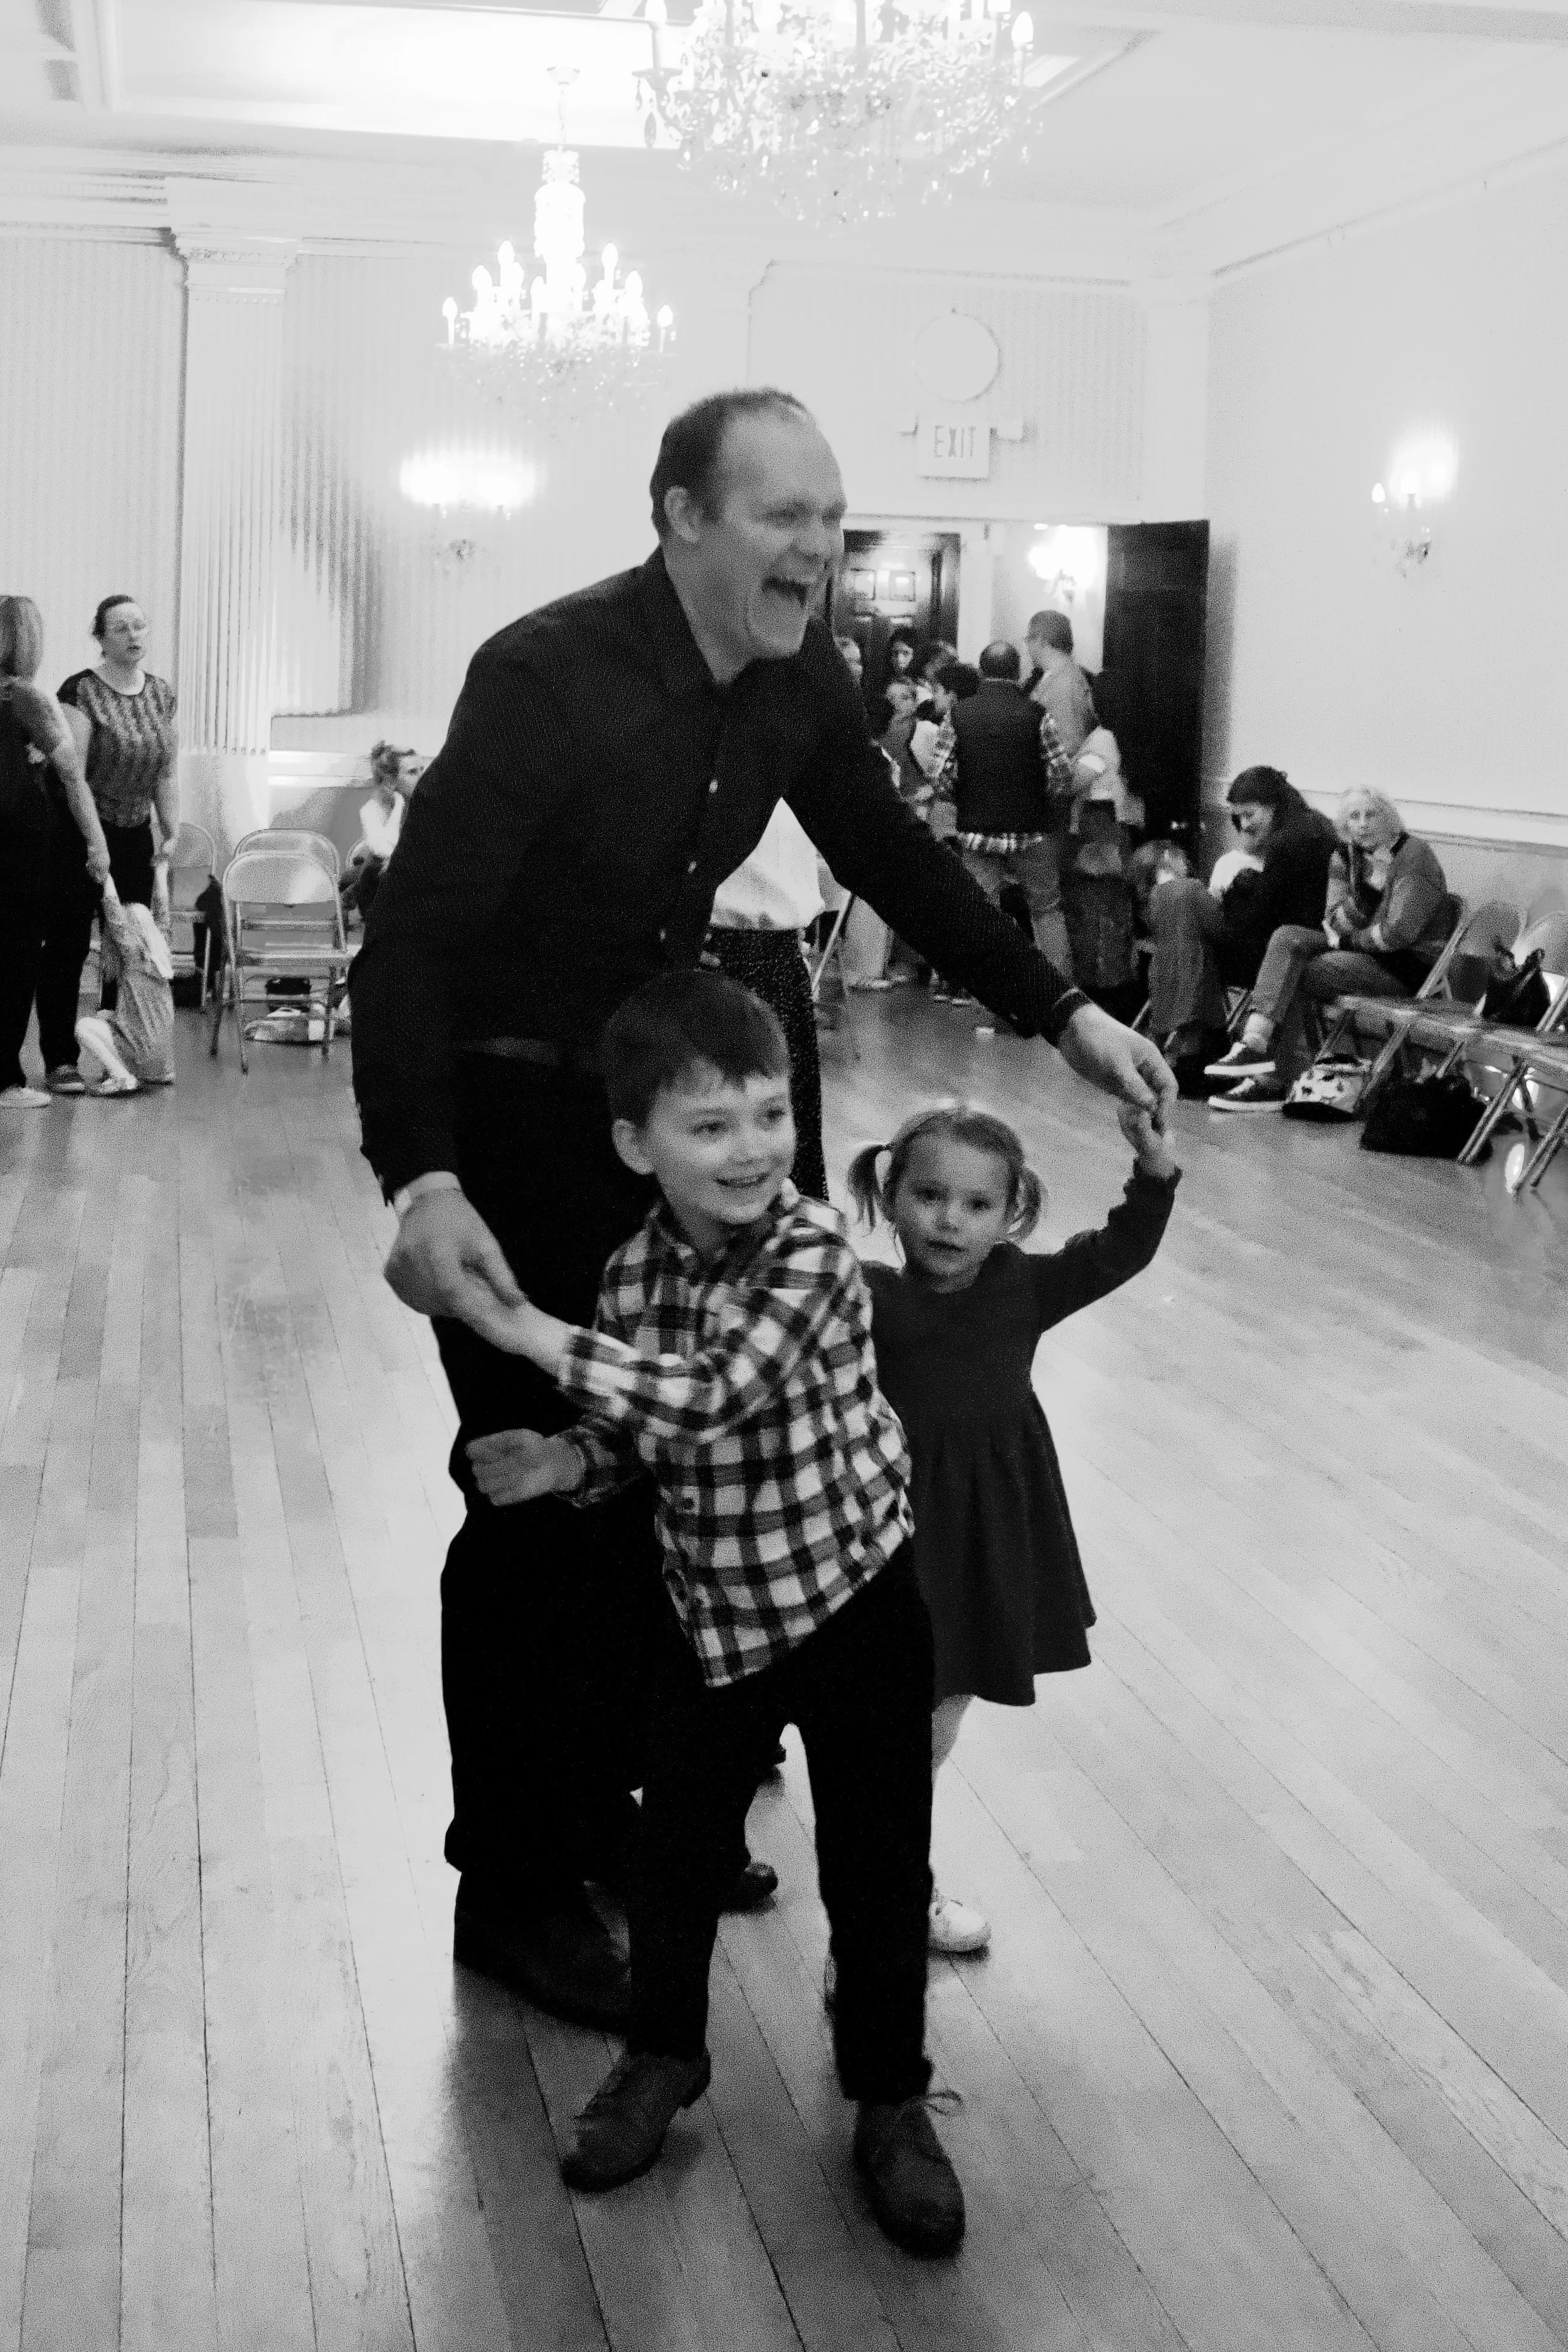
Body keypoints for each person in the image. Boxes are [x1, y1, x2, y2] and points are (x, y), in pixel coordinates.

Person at [349, 384, 1174, 2035]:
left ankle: (603, 1810)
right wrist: (419, 1170)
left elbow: (892, 848)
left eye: (829, 513)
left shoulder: (796, 677)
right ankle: (509, 1880)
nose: (815, 542)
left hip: (661, 1136)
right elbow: (416, 939)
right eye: (780, 512)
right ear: (680, 518)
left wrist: (1063, 1009)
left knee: (659, 1487)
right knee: (537, 1506)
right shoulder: (546, 675)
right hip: (517, 1133)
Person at [467, 971, 965, 2257]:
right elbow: (647, 1433)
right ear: (635, 1144)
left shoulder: (809, 1256)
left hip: (855, 1601)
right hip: (716, 1624)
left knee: (871, 1864)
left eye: (767, 1113)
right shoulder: (633, 1272)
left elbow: (706, 1397)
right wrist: (570, 1463)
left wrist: (515, 1325)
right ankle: (662, 2057)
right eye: (709, 1126)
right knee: (672, 1862)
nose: (750, 1148)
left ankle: (890, 2094)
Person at [846, 1099, 1179, 1957]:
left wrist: (1152, 1170)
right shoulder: (865, 1297)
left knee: (930, 1724)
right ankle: (884, 1904)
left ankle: (891, 1892)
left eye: (976, 1203)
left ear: (1013, 1212)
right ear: (891, 1197)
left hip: (982, 1538)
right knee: (884, 1728)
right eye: (927, 1194)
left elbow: (1119, 1251)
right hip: (890, 1537)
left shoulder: (1021, 1286)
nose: (948, 1219)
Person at [1204, 787, 1453, 1111]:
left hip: (1407, 966)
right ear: (1345, 823)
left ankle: (1274, 1080)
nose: (1362, 825)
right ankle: (1255, 1041)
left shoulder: (1415, 855)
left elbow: (1397, 935)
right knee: (1288, 937)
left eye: (1371, 815)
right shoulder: (1345, 856)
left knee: (1303, 971)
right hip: (1361, 953)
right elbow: (1332, 922)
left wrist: (1348, 937)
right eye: (1354, 816)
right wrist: (1364, 895)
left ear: (1390, 819)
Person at [38, 595, 179, 1093]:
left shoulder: (160, 692)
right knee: (69, 946)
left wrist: (171, 829)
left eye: (140, 626)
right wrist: (96, 845)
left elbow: (166, 767)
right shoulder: (81, 690)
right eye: (121, 628)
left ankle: (126, 1048)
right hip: (79, 833)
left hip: (135, 833)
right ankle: (60, 1059)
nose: (134, 635)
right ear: (100, 636)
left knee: (131, 949)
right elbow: (70, 773)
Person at [1143, 766, 1337, 1096]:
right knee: (1186, 915)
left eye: (1249, 815)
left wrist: (1238, 885)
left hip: (1289, 943)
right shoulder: (1309, 826)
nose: (1244, 825)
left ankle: (1184, 1046)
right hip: (1286, 937)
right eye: (1239, 819)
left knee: (1185, 906)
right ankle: (1202, 1048)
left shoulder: (1287, 841)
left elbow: (1261, 914)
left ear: (1272, 807)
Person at [0, 596, 105, 1108]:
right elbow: (72, 777)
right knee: (17, 957)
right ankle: (4, 1079)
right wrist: (97, 842)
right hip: (17, 845)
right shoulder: (28, 701)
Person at [703, 798, 828, 1202]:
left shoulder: (797, 744)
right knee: (706, 1125)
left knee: (780, 1130)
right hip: (699, 955)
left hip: (775, 959)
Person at [941, 638, 1078, 980]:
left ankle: (988, 991)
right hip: (1032, 831)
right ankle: (1057, 992)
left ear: (982, 671)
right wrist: (1038, 800)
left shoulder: (959, 714)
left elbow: (941, 774)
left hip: (977, 831)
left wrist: (965, 797)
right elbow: (1061, 775)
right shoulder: (1036, 714)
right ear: (1017, 673)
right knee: (1045, 911)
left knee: (982, 914)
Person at [342, 741, 425, 922]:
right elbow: (385, 849)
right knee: (374, 864)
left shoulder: (427, 807)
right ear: (391, 782)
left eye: (422, 769)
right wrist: (399, 806)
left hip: (416, 885)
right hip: (381, 887)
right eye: (412, 772)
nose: (422, 776)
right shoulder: (372, 810)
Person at [1024, 612, 1098, 760]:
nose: (1027, 646)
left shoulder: (1063, 682)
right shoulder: (1061, 674)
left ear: (1041, 640)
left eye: (1028, 639)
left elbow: (1068, 746)